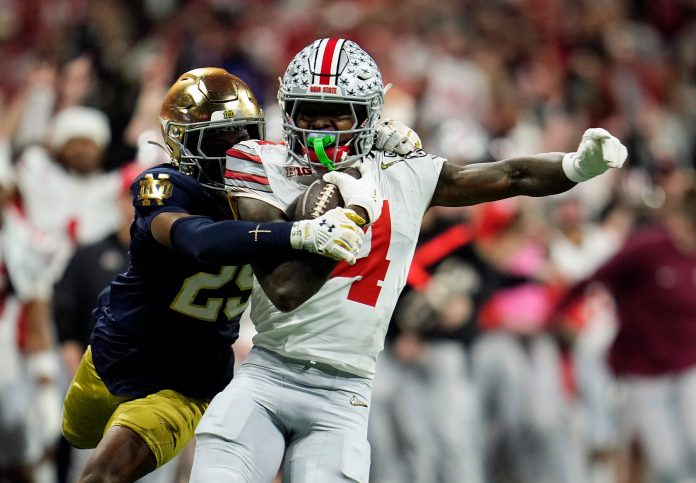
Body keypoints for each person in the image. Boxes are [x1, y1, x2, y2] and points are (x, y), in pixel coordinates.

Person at [189, 37, 628, 483]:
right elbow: (284, 289)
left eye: (339, 112)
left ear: (368, 115)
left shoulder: (403, 172)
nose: (322, 126)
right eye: (309, 111)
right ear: (288, 110)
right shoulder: (259, 162)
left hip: (344, 391)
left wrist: (576, 167)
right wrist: (350, 208)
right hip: (266, 371)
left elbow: (510, 174)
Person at [60, 67, 372, 483]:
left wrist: (382, 145)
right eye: (218, 139)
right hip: (117, 352)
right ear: (181, 141)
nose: (235, 150)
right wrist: (295, 233)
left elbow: (331, 155)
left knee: (100, 477)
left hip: (187, 383)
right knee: (74, 433)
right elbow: (200, 239)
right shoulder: (164, 184)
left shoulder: (266, 186)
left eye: (243, 136)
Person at [552, 173, 696, 483]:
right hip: (644, 371)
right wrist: (560, 310)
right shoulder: (648, 247)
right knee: (668, 462)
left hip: (688, 367)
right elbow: (597, 275)